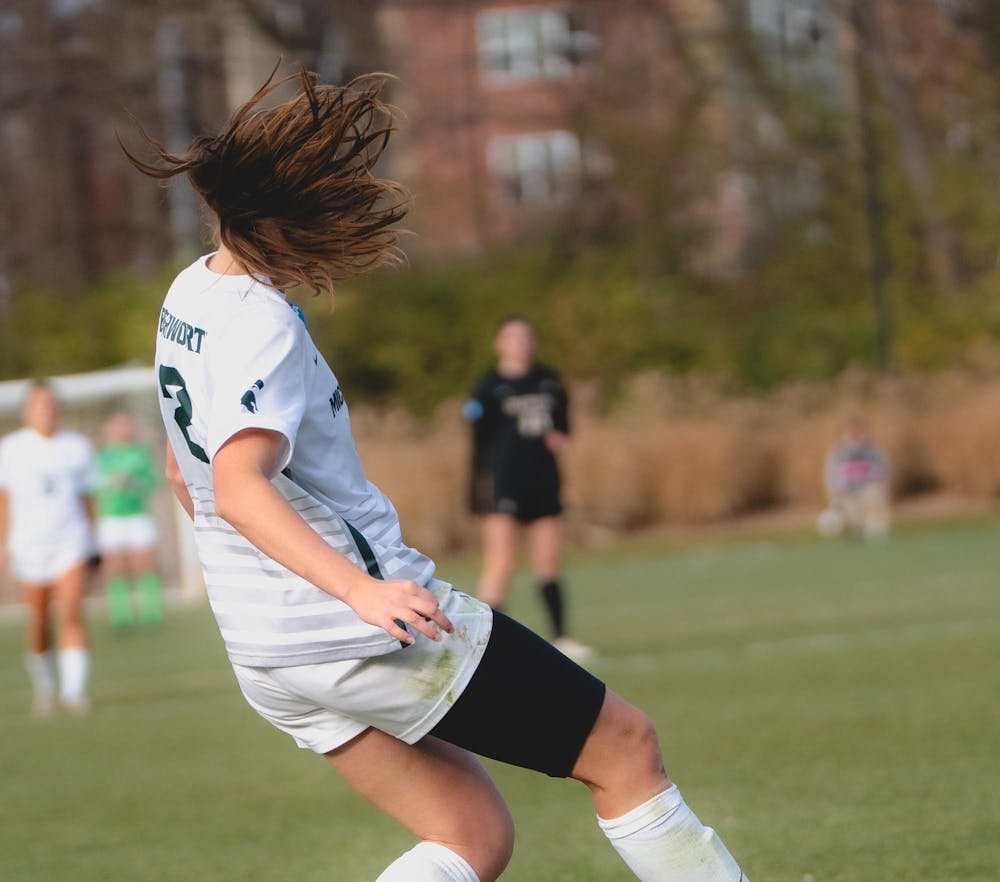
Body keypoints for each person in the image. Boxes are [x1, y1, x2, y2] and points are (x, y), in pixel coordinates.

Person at [127, 70, 750, 882]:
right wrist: (361, 592)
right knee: (626, 747)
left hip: (263, 646)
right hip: (353, 630)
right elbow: (240, 485)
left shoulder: (191, 293)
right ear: (291, 220)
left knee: (470, 837)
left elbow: (186, 466)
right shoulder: (261, 325)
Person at [465, 316, 594, 663]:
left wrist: (558, 437)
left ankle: (562, 637)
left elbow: (563, 426)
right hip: (504, 485)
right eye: (512, 337)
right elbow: (479, 444)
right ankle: (483, 647)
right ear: (499, 344)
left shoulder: (548, 381)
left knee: (549, 563)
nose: (519, 344)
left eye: (525, 337)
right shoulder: (489, 387)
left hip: (543, 481)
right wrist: (478, 492)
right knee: (500, 562)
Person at [0, 380, 98, 715]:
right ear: (27, 410)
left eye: (51, 403)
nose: (46, 410)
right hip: (28, 543)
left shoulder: (77, 447)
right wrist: (3, 544)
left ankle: (74, 692)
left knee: (70, 611)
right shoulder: (11, 449)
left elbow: (88, 499)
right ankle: (45, 687)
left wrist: (94, 541)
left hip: (70, 540)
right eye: (39, 404)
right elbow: (4, 501)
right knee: (40, 619)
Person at [96, 412, 164, 629]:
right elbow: (94, 486)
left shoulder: (140, 454)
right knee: (115, 566)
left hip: (138, 515)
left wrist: (134, 483)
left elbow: (153, 481)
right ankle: (121, 614)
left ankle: (152, 611)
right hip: (112, 518)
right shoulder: (102, 457)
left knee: (146, 563)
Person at [818, 416, 891, 540]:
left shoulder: (872, 450)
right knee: (846, 513)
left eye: (856, 432)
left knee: (874, 495)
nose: (853, 435)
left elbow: (884, 472)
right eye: (849, 432)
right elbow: (830, 478)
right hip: (847, 493)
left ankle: (875, 527)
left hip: (867, 490)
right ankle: (856, 529)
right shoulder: (836, 452)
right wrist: (834, 498)